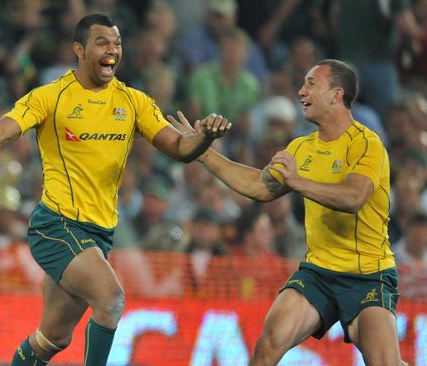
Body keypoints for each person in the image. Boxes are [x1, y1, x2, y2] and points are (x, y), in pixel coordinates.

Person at [0, 13, 231, 366]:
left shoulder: (134, 102)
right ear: (79, 49)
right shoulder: (51, 96)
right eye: (103, 43)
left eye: (117, 43)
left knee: (53, 338)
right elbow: (4, 129)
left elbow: (182, 149)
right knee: (111, 299)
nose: (112, 50)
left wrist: (204, 136)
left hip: (99, 234)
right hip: (56, 226)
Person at [174, 59, 406, 365]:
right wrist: (203, 152)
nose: (301, 91)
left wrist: (298, 181)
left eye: (311, 83)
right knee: (269, 342)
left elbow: (354, 197)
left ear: (337, 94)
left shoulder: (367, 145)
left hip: (368, 277)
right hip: (318, 272)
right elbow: (259, 185)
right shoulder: (301, 148)